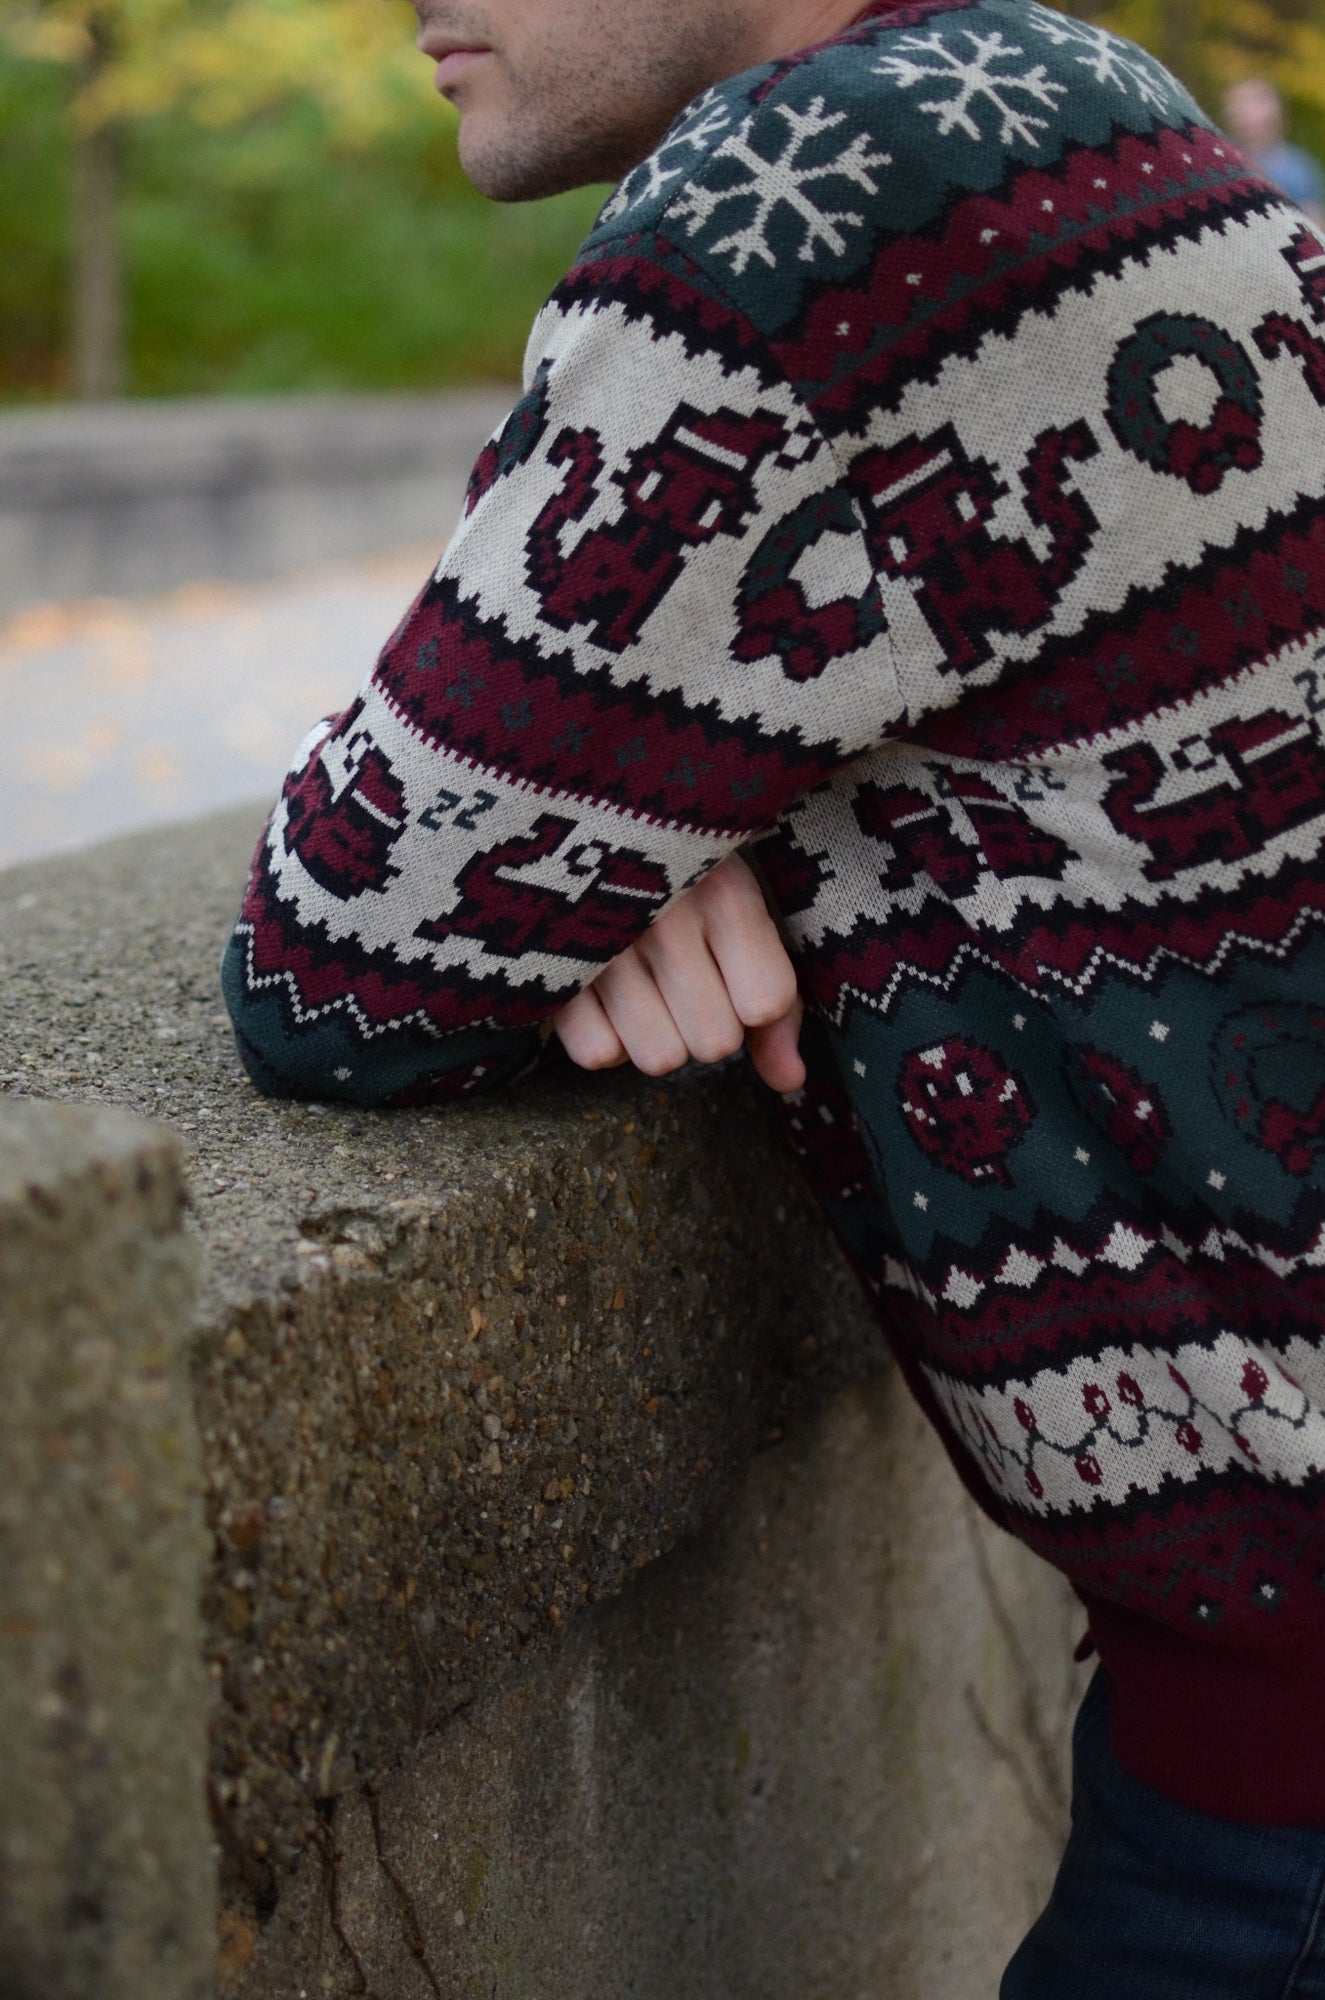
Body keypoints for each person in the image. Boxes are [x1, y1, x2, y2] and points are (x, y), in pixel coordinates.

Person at [221, 0, 1325, 1989]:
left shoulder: (816, 194)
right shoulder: (1064, 93)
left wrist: (601, 823)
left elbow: (334, 950)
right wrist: (663, 808)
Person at [1224, 76, 1325, 226]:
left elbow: (1315, 223)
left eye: (1250, 103)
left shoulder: (1297, 169)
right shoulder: (1221, 160)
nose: (1238, 111)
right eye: (1235, 104)